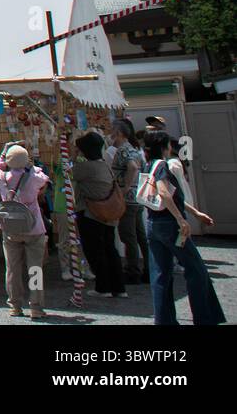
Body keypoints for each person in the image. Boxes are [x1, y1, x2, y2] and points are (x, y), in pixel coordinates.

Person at [141, 131, 224, 325]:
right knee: (196, 269)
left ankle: (164, 320)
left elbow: (171, 195)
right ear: (164, 147)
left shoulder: (148, 165)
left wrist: (195, 213)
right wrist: (181, 219)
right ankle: (205, 317)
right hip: (170, 226)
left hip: (153, 224)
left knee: (161, 275)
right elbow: (164, 192)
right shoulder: (162, 165)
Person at [0, 142, 50, 318]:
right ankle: (36, 307)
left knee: (12, 269)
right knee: (35, 269)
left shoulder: (2, 177)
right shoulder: (34, 177)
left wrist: (4, 152)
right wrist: (29, 164)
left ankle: (15, 305)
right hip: (33, 227)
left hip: (10, 228)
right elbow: (43, 177)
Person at [71, 131, 126, 297]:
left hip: (91, 213)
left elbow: (68, 173)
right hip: (109, 212)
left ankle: (103, 287)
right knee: (110, 249)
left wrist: (72, 154)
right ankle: (118, 287)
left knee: (95, 251)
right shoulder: (104, 165)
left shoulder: (85, 167)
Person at [108, 120, 148, 283]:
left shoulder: (124, 150)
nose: (111, 135)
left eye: (113, 131)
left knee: (128, 236)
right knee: (140, 235)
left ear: (120, 133)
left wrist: (125, 189)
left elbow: (132, 167)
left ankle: (132, 270)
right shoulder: (136, 150)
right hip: (137, 198)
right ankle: (148, 268)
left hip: (128, 199)